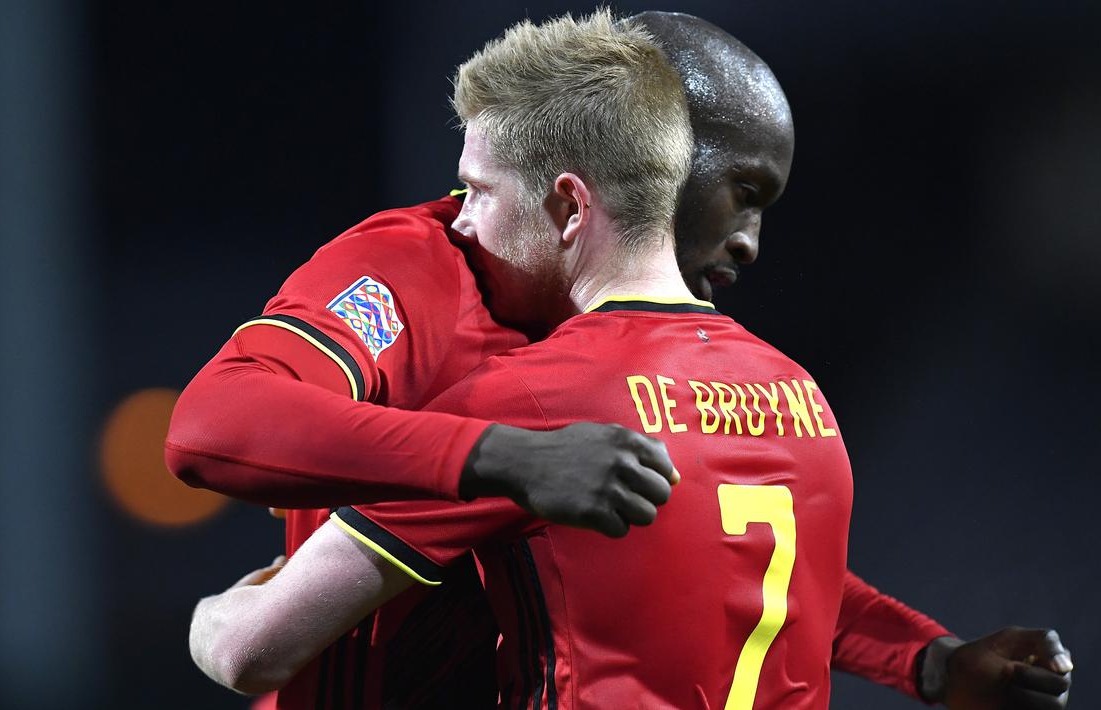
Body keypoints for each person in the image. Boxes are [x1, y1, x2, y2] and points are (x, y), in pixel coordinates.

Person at [169, 9, 1073, 709]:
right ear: (652, 150)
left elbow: (720, 559)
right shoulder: (420, 266)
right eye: (743, 191)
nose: (750, 240)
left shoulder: (593, 374)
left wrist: (924, 657)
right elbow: (214, 426)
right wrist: (500, 458)